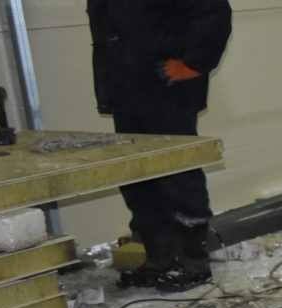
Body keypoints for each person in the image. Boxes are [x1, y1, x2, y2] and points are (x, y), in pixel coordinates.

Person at [87, 0, 232, 292]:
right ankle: (160, 257)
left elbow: (213, 12)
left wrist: (193, 64)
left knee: (177, 176)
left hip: (166, 92)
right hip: (127, 92)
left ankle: (192, 262)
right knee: (137, 178)